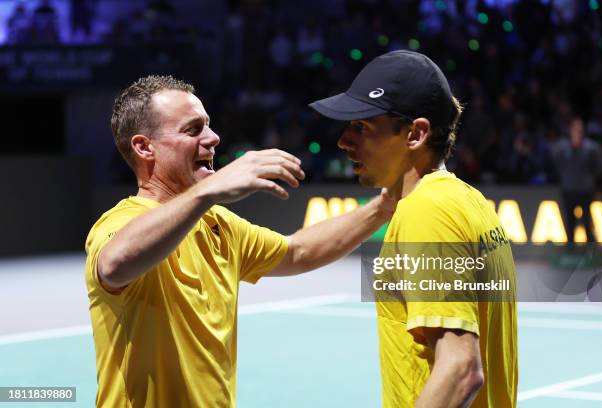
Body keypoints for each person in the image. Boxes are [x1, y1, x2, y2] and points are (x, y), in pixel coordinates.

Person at [85, 75, 395, 407]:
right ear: (144, 147)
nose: (213, 138)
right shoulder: (121, 221)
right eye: (193, 130)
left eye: (208, 125)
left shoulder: (218, 224)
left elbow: (298, 251)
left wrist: (385, 206)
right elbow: (115, 263)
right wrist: (207, 192)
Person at [309, 50, 518, 407]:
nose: (344, 141)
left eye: (362, 127)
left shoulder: (427, 211)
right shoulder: (468, 201)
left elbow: (461, 368)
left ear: (415, 134)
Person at [551, 116, 602, 245]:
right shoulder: (562, 148)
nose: (577, 130)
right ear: (570, 129)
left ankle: (592, 253)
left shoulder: (591, 148)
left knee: (587, 222)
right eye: (575, 128)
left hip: (585, 190)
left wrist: (590, 180)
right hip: (568, 190)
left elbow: (597, 167)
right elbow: (556, 165)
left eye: (580, 128)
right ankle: (570, 252)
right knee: (570, 223)